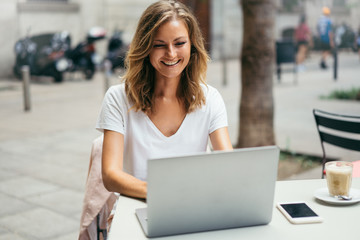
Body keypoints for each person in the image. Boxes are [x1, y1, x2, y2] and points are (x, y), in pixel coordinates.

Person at [96, 0, 233, 200]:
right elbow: (110, 176)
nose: (171, 53)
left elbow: (228, 164)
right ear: (145, 48)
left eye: (179, 43)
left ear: (192, 45)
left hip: (194, 204)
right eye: (159, 45)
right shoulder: (118, 98)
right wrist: (165, 193)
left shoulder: (210, 99)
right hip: (137, 206)